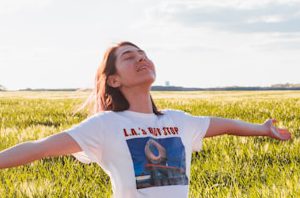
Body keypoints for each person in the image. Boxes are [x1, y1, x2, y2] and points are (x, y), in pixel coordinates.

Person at [0, 41, 291, 198]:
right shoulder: (104, 125)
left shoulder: (180, 121)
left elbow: (225, 125)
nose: (142, 59)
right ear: (113, 79)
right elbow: (38, 147)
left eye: (144, 54)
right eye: (129, 57)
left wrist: (263, 130)